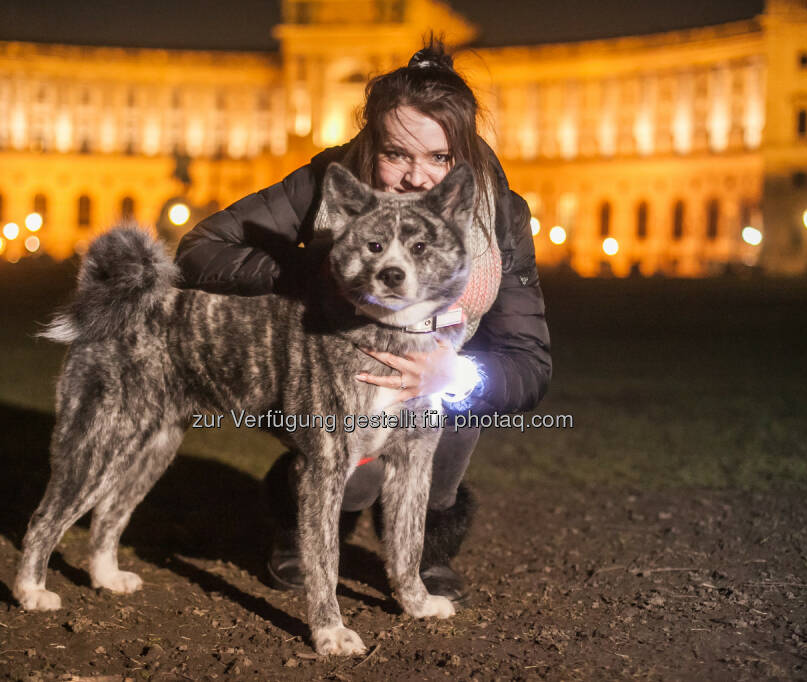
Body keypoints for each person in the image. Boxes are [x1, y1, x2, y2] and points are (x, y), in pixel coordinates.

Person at [175, 39, 551, 604]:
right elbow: (200, 249)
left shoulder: (499, 211)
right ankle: (304, 518)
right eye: (397, 153)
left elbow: (528, 359)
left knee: (451, 418)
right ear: (371, 141)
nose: (417, 178)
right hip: (323, 378)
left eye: (440, 157)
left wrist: (453, 372)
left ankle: (427, 543)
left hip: (440, 381)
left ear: (463, 156)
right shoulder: (327, 179)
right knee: (358, 474)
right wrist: (313, 271)